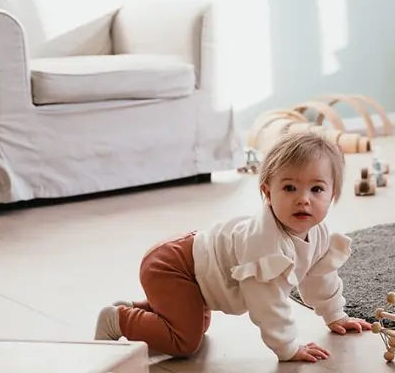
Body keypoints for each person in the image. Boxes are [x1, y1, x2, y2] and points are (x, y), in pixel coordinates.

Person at [95, 132, 371, 361]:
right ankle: (118, 319)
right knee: (185, 341)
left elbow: (321, 277)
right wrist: (288, 347)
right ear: (267, 193)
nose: (303, 200)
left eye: (317, 189)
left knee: (197, 324)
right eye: (289, 188)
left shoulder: (319, 235)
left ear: (332, 194)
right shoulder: (265, 245)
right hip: (173, 267)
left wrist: (335, 315)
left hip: (194, 274)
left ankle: (140, 308)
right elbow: (267, 303)